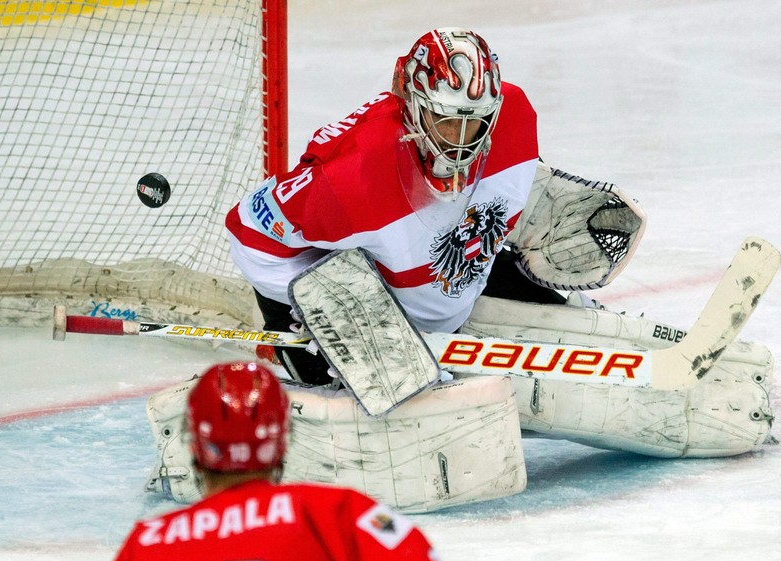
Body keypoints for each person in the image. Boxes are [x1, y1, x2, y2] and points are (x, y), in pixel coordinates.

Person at [226, 27, 566, 385]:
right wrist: (313, 303)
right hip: (371, 304)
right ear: (413, 106)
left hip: (447, 279)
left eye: (475, 123)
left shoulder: (516, 116)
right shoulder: (353, 176)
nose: (460, 141)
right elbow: (249, 230)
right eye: (446, 121)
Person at [114, 361, 439, 561]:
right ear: (281, 440)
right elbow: (417, 555)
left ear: (195, 443)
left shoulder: (147, 543)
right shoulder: (340, 512)